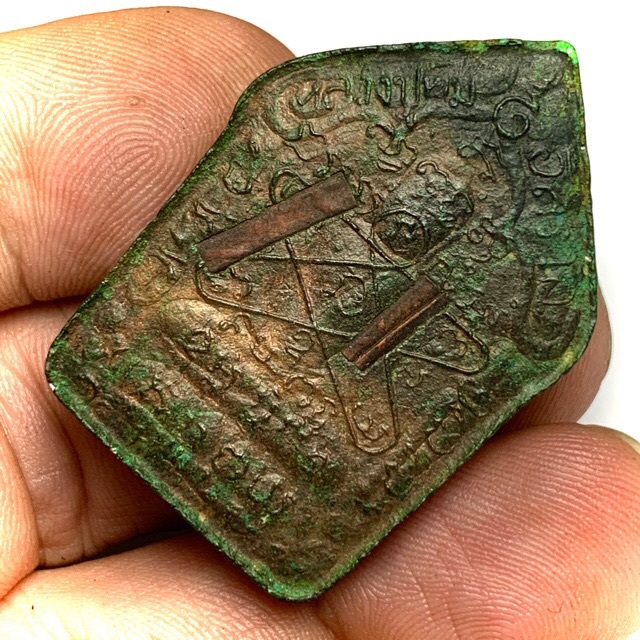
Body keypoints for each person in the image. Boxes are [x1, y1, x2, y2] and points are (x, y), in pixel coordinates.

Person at [0, 8, 637, 639]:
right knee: (185, 323)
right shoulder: (323, 201)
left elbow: (375, 377)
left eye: (431, 225)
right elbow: (215, 257)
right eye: (414, 206)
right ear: (403, 187)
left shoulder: (424, 295)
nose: (412, 224)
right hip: (211, 355)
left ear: (444, 236)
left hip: (293, 426)